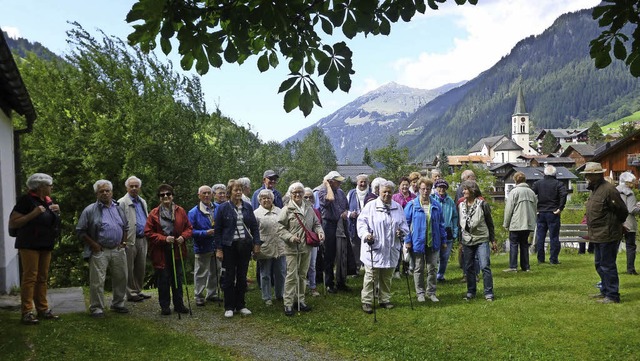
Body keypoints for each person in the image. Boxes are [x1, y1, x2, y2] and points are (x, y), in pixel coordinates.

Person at [9, 173, 61, 325]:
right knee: (30, 277)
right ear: (40, 187)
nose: (51, 188)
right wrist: (34, 213)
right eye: (49, 185)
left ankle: (43, 309)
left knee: (42, 278)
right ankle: (26, 312)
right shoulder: (26, 201)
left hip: (45, 244)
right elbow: (14, 223)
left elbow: (49, 221)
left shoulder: (47, 201)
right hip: (29, 244)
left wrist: (56, 211)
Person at [77, 180, 129, 318]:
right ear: (97, 194)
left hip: (118, 249)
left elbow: (125, 226)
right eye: (102, 191)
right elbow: (81, 231)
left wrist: (124, 242)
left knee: (121, 277)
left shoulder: (118, 208)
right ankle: (97, 308)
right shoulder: (90, 210)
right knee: (97, 281)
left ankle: (118, 303)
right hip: (100, 250)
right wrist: (93, 244)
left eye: (107, 190)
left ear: (111, 192)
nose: (105, 193)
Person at [357, 180, 409, 313]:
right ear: (379, 192)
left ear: (393, 193)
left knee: (386, 276)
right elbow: (361, 223)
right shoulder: (371, 206)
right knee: (371, 276)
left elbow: (404, 225)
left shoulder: (398, 207)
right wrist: (366, 235)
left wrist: (401, 231)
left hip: (391, 248)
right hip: (375, 248)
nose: (387, 194)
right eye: (384, 191)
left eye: (389, 192)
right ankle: (367, 301)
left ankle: (384, 299)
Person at [214, 179, 262, 318]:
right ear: (230, 192)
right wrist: (219, 249)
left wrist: (256, 243)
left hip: (245, 245)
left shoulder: (247, 207)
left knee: (242, 276)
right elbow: (217, 230)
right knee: (229, 276)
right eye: (236, 190)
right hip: (229, 246)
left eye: (240, 190)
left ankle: (241, 304)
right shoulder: (223, 208)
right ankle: (229, 306)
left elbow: (254, 227)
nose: (239, 192)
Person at [582, 162, 628, 303]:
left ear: (597, 175)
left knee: (607, 265)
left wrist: (616, 225)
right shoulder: (595, 189)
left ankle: (612, 295)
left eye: (589, 174)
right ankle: (605, 290)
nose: (587, 177)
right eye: (587, 174)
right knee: (599, 264)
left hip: (607, 234)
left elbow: (622, 211)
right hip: (597, 234)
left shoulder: (608, 190)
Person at [278, 182, 325, 316]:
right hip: (292, 248)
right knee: (291, 275)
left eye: (300, 192)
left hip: (307, 246)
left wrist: (320, 232)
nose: (298, 194)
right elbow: (280, 228)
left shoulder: (309, 208)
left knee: (302, 275)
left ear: (303, 193)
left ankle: (300, 300)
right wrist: (290, 237)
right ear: (290, 194)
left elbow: (316, 223)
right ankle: (288, 303)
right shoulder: (287, 209)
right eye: (295, 193)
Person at [145, 184, 193, 315]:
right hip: (161, 251)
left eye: (168, 194)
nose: (165, 196)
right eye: (162, 195)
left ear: (172, 196)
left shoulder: (180, 211)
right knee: (164, 278)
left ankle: (179, 304)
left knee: (177, 277)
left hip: (177, 248)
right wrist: (163, 238)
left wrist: (183, 237)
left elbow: (189, 228)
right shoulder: (154, 213)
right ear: (159, 198)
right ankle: (165, 306)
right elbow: (148, 232)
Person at [404, 178, 447, 303]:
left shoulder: (436, 205)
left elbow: (441, 224)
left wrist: (443, 240)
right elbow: (405, 224)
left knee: (432, 268)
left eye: (428, 188)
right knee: (418, 268)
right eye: (423, 188)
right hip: (417, 242)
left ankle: (431, 292)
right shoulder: (412, 205)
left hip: (433, 241)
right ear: (419, 189)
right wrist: (407, 240)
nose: (425, 191)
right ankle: (420, 293)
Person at [458, 180, 497, 301]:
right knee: (469, 266)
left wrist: (493, 240)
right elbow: (459, 224)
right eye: (463, 189)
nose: (463, 191)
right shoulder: (460, 205)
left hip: (481, 238)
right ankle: (471, 291)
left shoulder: (482, 204)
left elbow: (490, 223)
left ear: (472, 190)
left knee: (485, 265)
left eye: (466, 189)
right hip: (466, 239)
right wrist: (460, 241)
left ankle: (488, 292)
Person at [117, 176, 151, 303]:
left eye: (136, 186)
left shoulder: (142, 201)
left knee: (140, 267)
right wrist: (122, 240)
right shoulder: (122, 202)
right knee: (129, 267)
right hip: (130, 239)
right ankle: (130, 292)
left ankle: (138, 290)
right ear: (127, 187)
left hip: (143, 239)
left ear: (140, 188)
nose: (134, 188)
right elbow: (119, 222)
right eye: (131, 186)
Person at [188, 185, 221, 307]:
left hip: (217, 246)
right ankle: (198, 295)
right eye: (204, 193)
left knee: (216, 270)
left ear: (212, 195)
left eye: (208, 193)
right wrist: (205, 233)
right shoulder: (193, 212)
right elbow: (190, 231)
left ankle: (212, 294)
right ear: (199, 195)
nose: (206, 195)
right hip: (202, 246)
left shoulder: (218, 208)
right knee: (201, 272)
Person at [317, 170, 350, 293]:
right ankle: (329, 283)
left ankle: (341, 281)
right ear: (330, 181)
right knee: (329, 254)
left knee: (341, 253)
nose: (340, 184)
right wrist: (326, 185)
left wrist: (345, 212)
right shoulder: (322, 191)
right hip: (328, 225)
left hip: (339, 223)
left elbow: (345, 206)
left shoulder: (341, 192)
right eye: (337, 181)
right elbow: (329, 199)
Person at [254, 189, 286, 305]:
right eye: (263, 198)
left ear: (273, 199)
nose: (266, 200)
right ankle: (266, 297)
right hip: (265, 247)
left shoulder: (280, 211)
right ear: (260, 200)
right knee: (265, 273)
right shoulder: (256, 214)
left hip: (280, 246)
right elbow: (253, 231)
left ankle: (280, 294)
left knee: (281, 272)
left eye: (269, 198)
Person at [532, 164, 568, 265]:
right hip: (553, 212)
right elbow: (563, 195)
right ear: (555, 173)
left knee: (540, 237)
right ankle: (553, 259)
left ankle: (540, 259)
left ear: (544, 173)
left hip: (541, 212)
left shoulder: (537, 183)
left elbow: (531, 195)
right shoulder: (559, 184)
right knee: (554, 237)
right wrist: (560, 208)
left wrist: (535, 208)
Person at [502, 172, 537, 272]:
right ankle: (525, 266)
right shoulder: (531, 192)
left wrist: (506, 223)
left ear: (515, 180)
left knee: (513, 244)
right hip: (527, 223)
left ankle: (513, 266)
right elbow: (535, 208)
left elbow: (509, 209)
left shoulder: (514, 192)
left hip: (516, 223)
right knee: (524, 244)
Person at [346, 174, 374, 274]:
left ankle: (367, 266)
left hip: (368, 224)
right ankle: (356, 267)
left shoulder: (372, 193)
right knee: (355, 246)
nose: (362, 184)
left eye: (364, 182)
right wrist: (350, 214)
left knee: (368, 244)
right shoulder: (351, 193)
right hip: (354, 224)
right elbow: (345, 208)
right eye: (361, 182)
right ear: (357, 182)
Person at [433, 179, 459, 282]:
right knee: (435, 256)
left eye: (444, 187)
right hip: (435, 231)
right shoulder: (432, 199)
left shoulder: (450, 201)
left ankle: (440, 275)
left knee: (445, 256)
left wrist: (455, 231)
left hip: (448, 231)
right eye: (439, 187)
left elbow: (455, 217)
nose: (441, 189)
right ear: (436, 188)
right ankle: (433, 275)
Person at [617, 171, 640, 275]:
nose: (634, 184)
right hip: (628, 222)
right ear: (628, 182)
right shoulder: (629, 193)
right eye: (632, 182)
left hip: (616, 222)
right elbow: (631, 210)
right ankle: (630, 269)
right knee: (630, 246)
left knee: (614, 245)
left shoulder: (614, 190)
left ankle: (610, 267)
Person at [304, 187, 323, 296]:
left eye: (310, 197)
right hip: (301, 241)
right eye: (305, 197)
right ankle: (300, 288)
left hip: (313, 241)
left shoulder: (316, 211)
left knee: (312, 265)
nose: (308, 199)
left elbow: (318, 225)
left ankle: (313, 286)